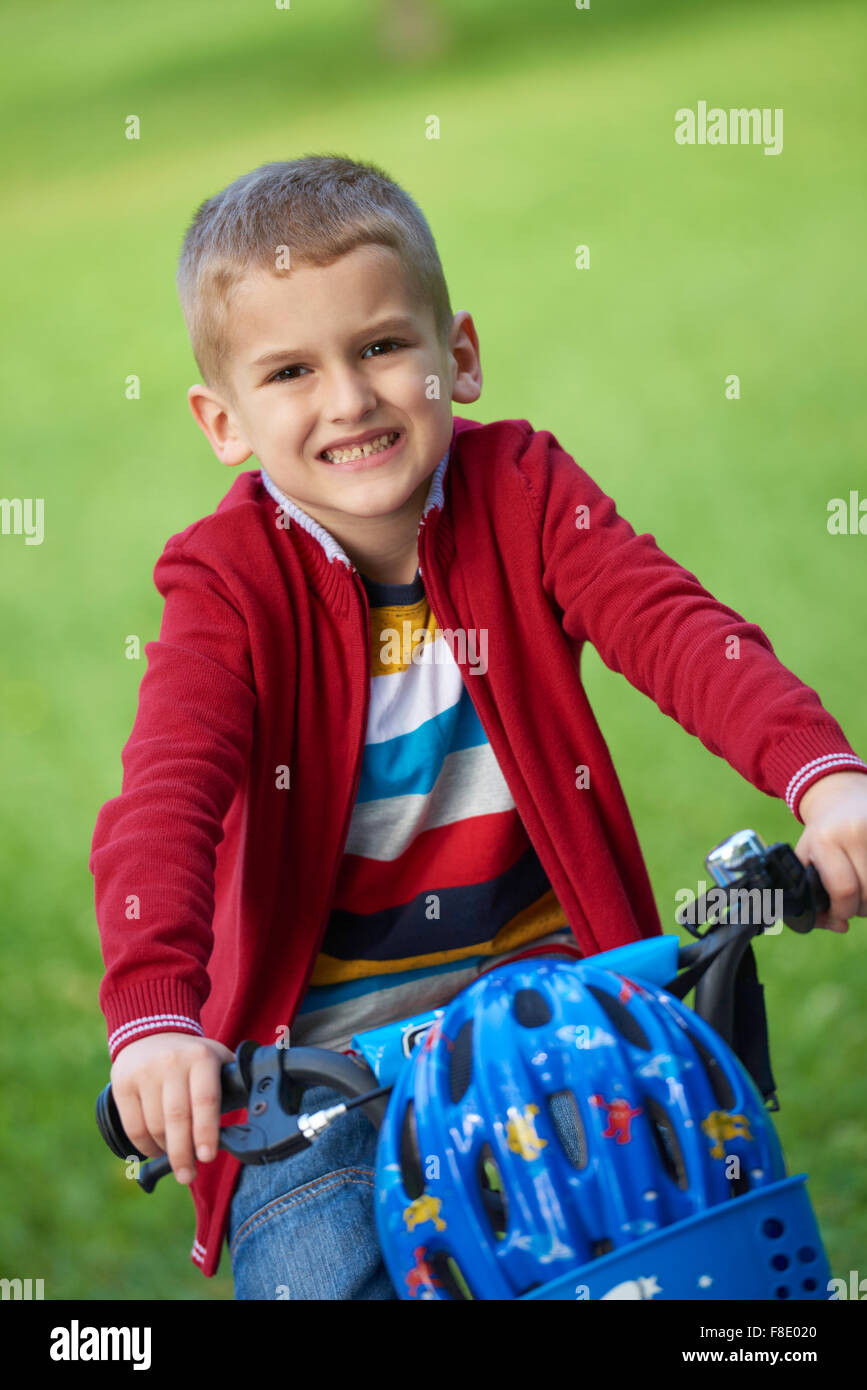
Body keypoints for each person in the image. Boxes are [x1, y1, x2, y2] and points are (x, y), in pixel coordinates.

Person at [89, 154, 867, 1300]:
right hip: (324, 1088)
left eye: (381, 347)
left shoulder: (525, 490)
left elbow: (676, 628)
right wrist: (155, 1012)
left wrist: (825, 779)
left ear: (458, 354)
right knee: (321, 1271)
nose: (349, 400)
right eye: (291, 370)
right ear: (225, 420)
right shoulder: (229, 580)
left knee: (704, 1264)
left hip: (564, 1025)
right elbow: (169, 791)